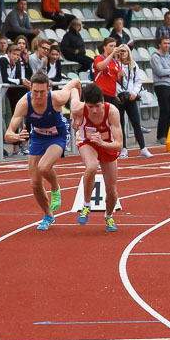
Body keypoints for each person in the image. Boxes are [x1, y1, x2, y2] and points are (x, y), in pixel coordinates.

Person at [4, 73, 81, 230]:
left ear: (48, 89)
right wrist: (16, 136)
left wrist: (76, 109)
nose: (38, 95)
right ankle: (48, 215)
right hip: (38, 138)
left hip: (57, 136)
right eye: (35, 91)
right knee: (35, 183)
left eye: (42, 92)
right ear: (30, 89)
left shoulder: (58, 98)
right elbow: (8, 133)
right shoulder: (24, 103)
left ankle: (55, 187)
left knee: (44, 167)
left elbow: (76, 82)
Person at [72, 83, 123, 232]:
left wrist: (102, 143)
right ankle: (86, 205)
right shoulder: (78, 108)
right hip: (88, 143)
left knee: (112, 190)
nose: (94, 110)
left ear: (103, 101)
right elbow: (73, 89)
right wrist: (74, 116)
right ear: (85, 104)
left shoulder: (112, 111)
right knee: (92, 167)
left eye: (97, 106)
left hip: (108, 146)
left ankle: (109, 216)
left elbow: (119, 145)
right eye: (90, 106)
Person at [116, 45, 152, 158]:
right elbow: (112, 81)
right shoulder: (115, 65)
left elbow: (138, 81)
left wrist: (134, 93)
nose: (123, 53)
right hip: (118, 97)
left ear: (128, 52)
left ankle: (143, 148)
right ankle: (123, 149)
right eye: (120, 51)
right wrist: (117, 94)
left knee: (136, 123)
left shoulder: (133, 65)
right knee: (120, 124)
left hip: (131, 97)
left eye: (125, 51)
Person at [151, 36, 170, 144]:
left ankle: (167, 133)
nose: (167, 45)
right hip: (161, 85)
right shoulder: (155, 57)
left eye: (168, 43)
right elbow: (159, 72)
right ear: (159, 45)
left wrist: (169, 71)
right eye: (165, 43)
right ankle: (160, 135)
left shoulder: (169, 56)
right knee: (165, 110)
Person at [93, 37, 122, 108]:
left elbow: (117, 79)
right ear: (104, 47)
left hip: (112, 94)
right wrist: (112, 54)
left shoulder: (116, 61)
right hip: (101, 93)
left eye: (115, 46)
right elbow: (100, 67)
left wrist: (121, 75)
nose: (113, 48)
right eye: (111, 46)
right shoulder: (99, 58)